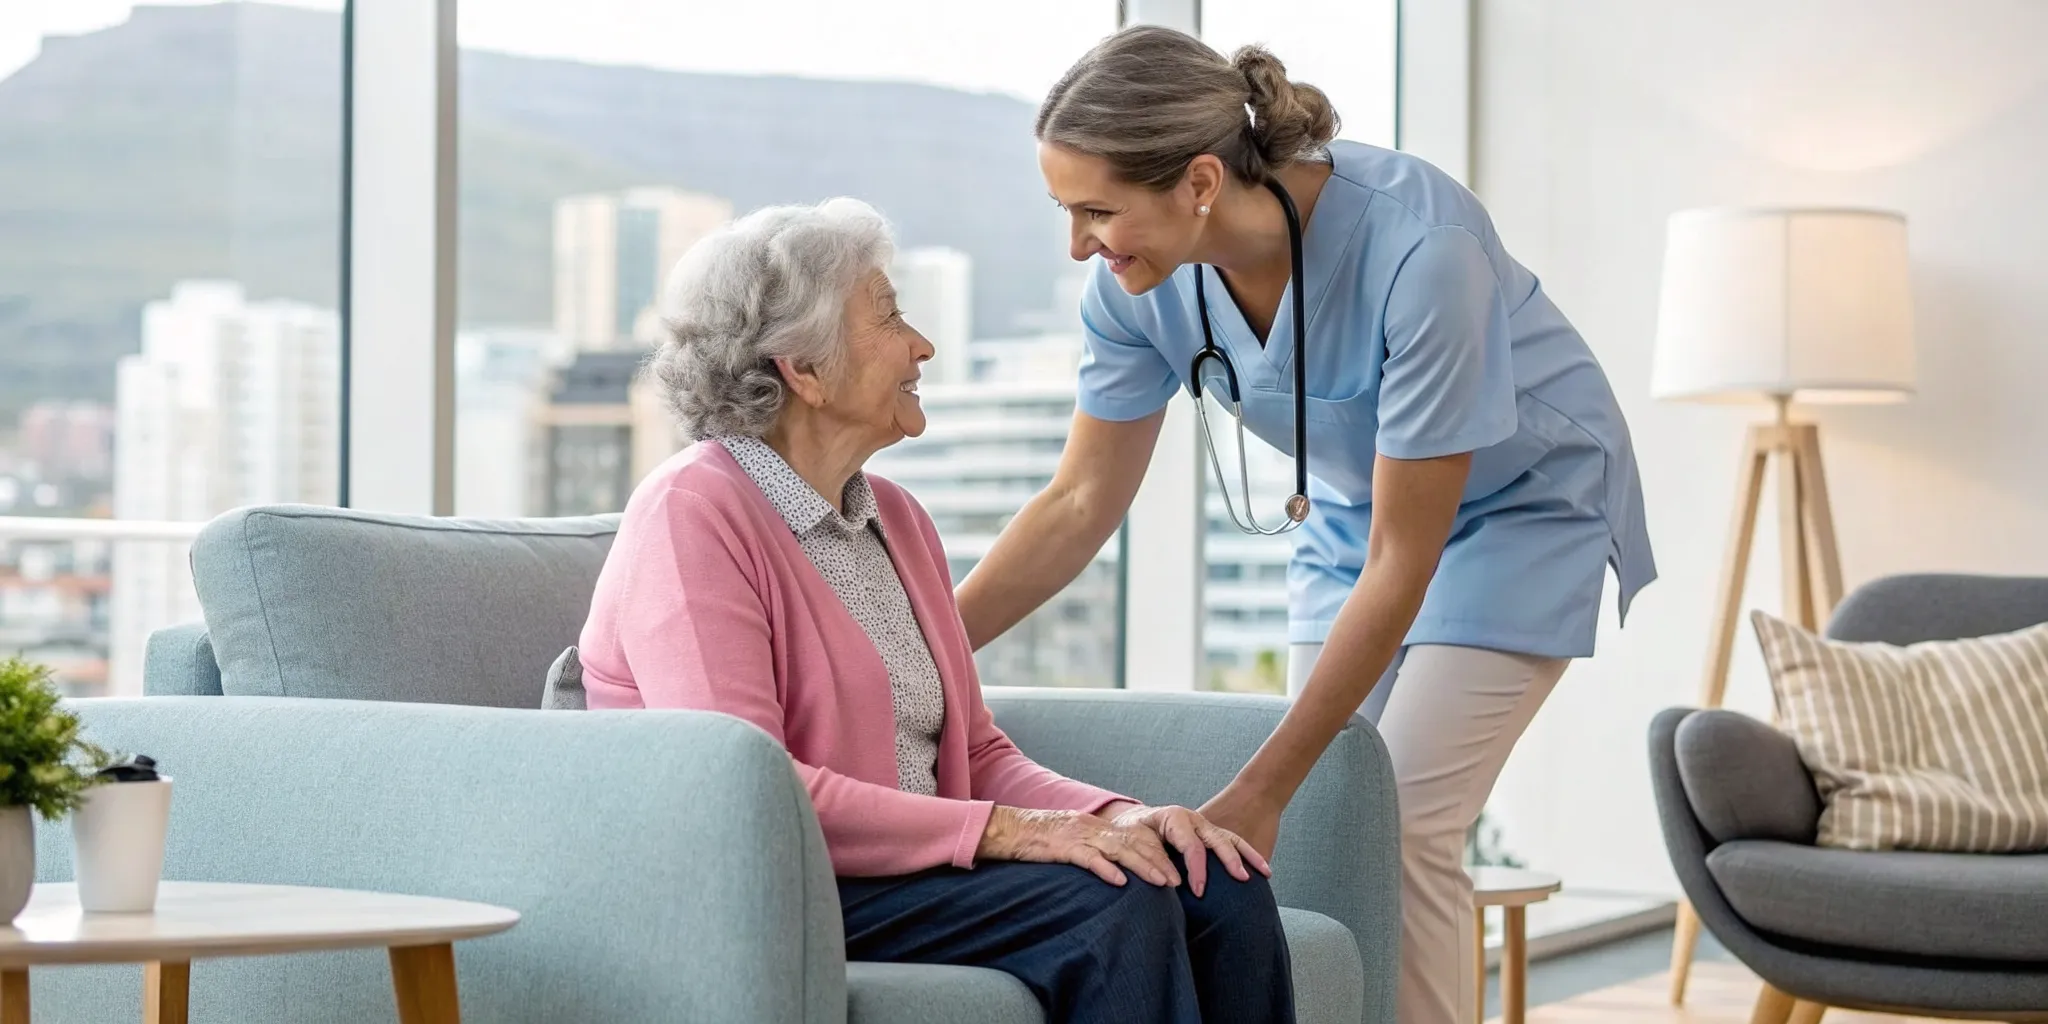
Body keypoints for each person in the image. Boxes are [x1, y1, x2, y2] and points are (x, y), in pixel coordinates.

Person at [955, 26, 1656, 1024]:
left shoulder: (1422, 248)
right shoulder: (1129, 289)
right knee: (1333, 819)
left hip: (1522, 510)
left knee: (1400, 819)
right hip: (1352, 512)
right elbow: (1076, 504)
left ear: (1199, 181)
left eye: (1096, 210)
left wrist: (1259, 787)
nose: (1079, 245)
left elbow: (1403, 557)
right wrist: (915, 647)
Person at [574, 196, 1296, 1024]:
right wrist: (1007, 833)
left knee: (1217, 882)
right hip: (782, 887)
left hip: (913, 876)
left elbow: (977, 753)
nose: (923, 346)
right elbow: (750, 794)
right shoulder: (691, 512)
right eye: (889, 319)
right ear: (801, 369)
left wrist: (1117, 816)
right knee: (1113, 908)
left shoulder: (895, 517)